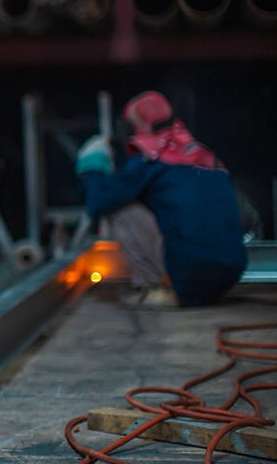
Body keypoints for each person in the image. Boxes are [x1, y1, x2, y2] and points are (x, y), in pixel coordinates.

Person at [75, 91, 246, 307]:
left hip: (189, 281)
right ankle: (193, 285)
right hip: (229, 277)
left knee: (118, 209)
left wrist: (93, 167)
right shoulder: (204, 157)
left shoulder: (151, 161)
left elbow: (97, 202)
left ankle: (153, 288)